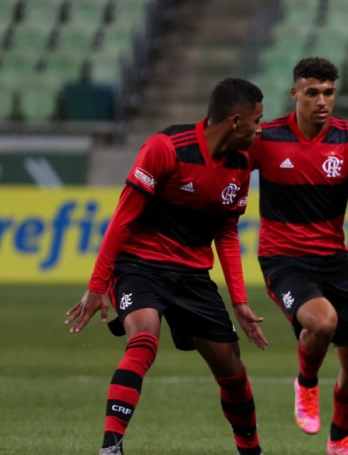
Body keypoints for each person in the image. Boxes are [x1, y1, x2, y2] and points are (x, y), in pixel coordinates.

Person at [64, 78, 267, 455]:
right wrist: (97, 285)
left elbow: (225, 232)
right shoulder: (166, 149)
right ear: (236, 120)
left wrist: (239, 301)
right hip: (139, 265)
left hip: (191, 275)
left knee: (232, 370)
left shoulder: (240, 166)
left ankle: (250, 449)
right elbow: (122, 220)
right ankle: (111, 447)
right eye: (257, 121)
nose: (260, 130)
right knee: (143, 338)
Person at [248, 57, 348, 455]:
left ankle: (339, 442)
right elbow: (227, 171)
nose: (322, 101)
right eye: (313, 92)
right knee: (322, 323)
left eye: (329, 92)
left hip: (333, 260)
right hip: (283, 259)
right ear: (295, 93)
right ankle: (306, 383)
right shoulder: (265, 138)